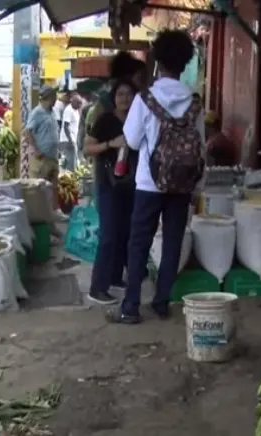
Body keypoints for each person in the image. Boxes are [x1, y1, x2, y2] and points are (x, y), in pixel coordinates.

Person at [109, 29, 206, 324]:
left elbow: (133, 141)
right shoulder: (195, 101)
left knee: (139, 242)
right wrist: (198, 186)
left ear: (158, 62)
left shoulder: (146, 98)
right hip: (182, 184)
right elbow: (200, 145)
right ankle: (162, 302)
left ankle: (131, 307)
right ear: (184, 64)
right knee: (173, 241)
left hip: (149, 183)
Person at [83, 79, 139, 304]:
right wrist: (110, 145)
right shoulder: (105, 120)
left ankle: (116, 277)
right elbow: (87, 148)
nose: (125, 99)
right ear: (113, 98)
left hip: (131, 184)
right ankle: (97, 288)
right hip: (107, 184)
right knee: (108, 235)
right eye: (120, 94)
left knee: (124, 233)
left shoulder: (137, 120)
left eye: (129, 94)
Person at [20, 85, 60, 190]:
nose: (56, 99)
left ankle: (52, 207)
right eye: (54, 96)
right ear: (49, 97)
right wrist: (36, 150)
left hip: (53, 158)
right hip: (41, 160)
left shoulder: (52, 112)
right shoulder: (37, 113)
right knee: (39, 190)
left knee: (53, 190)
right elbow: (27, 131)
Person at [60, 95, 82, 171]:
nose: (80, 105)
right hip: (68, 140)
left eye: (80, 103)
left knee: (73, 163)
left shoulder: (75, 110)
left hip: (72, 139)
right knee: (71, 165)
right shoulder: (69, 110)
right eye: (78, 103)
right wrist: (70, 141)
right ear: (72, 101)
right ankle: (70, 181)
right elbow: (66, 127)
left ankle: (68, 178)